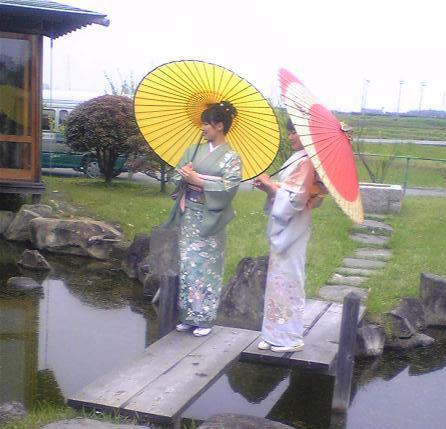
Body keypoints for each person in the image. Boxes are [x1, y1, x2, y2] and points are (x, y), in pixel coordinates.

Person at [164, 101, 242, 337]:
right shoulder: (192, 150)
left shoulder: (231, 158)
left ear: (219, 126)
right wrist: (183, 176)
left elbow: (229, 187)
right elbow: (174, 176)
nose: (202, 128)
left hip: (211, 218)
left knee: (207, 267)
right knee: (188, 264)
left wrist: (198, 181)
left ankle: (205, 318)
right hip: (190, 214)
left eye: (206, 124)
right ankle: (188, 316)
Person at [253, 118, 326, 352]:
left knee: (290, 277)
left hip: (295, 224)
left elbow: (295, 200)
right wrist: (271, 189)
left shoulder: (307, 161)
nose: (291, 136)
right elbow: (288, 191)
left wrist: (271, 187)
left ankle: (290, 337)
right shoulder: (299, 158)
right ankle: (273, 333)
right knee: (278, 278)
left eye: (295, 132)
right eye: (290, 132)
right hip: (288, 224)